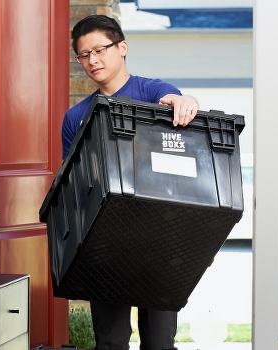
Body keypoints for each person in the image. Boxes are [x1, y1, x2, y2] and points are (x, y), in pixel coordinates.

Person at [62, 15, 199, 350]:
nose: (92, 60)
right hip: (105, 243)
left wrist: (185, 103)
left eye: (100, 49)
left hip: (160, 242)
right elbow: (72, 182)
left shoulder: (151, 91)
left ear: (122, 47)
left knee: (159, 342)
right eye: (83, 55)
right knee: (109, 342)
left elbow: (176, 100)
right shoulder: (75, 116)